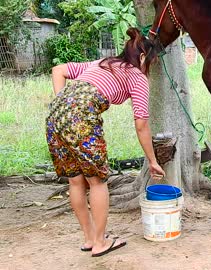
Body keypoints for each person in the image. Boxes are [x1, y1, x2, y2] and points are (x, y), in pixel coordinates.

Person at [46, 28, 165, 257]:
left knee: (75, 182)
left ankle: (90, 238)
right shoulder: (137, 77)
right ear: (142, 57)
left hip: (54, 117)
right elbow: (141, 125)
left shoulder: (103, 62)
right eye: (151, 63)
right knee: (97, 181)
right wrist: (152, 160)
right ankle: (101, 242)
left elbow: (58, 70)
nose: (149, 68)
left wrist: (64, 103)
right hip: (80, 119)